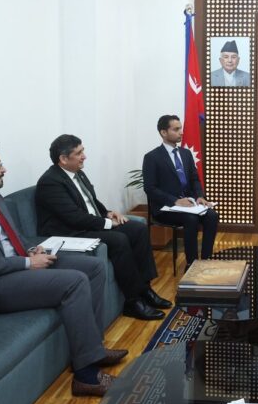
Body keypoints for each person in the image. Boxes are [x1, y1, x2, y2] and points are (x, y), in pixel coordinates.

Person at [0, 140, 126, 398]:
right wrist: (26, 263)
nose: (4, 169)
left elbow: (12, 239)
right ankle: (86, 377)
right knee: (74, 281)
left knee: (94, 267)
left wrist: (31, 250)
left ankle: (92, 349)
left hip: (14, 267)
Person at [35, 134, 172, 322]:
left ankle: (145, 289)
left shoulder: (77, 173)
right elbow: (73, 217)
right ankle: (132, 302)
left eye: (83, 151)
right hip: (70, 232)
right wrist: (107, 223)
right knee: (119, 239)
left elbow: (90, 201)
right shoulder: (50, 182)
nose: (84, 156)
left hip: (88, 224)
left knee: (138, 229)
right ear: (63, 159)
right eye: (79, 153)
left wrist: (107, 213)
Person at [142, 115, 219, 268]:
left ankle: (206, 260)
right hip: (166, 208)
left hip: (190, 204)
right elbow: (150, 188)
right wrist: (175, 201)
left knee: (212, 216)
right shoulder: (152, 157)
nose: (181, 132)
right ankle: (192, 264)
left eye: (181, 128)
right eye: (176, 129)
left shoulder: (186, 154)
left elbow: (194, 179)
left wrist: (199, 197)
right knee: (191, 219)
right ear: (164, 132)